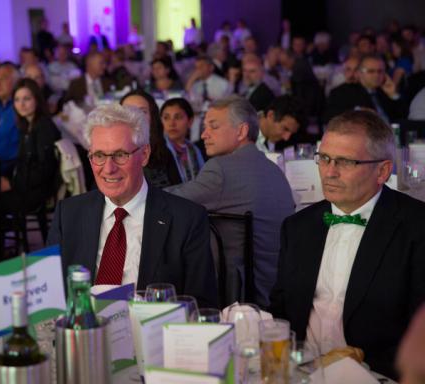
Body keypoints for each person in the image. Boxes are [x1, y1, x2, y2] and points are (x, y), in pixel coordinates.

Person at [269, 110, 425, 380]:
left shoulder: (416, 227)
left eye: (345, 162)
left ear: (383, 171)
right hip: (302, 372)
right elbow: (282, 309)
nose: (329, 172)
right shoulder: (298, 227)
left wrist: (360, 363)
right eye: (325, 158)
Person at [47, 104, 218, 307]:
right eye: (99, 156)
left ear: (144, 155)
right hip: (85, 334)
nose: (108, 169)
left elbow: (202, 304)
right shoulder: (68, 214)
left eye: (120, 155)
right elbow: (51, 295)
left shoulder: (186, 219)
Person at [166, 96, 294, 307]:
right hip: (276, 287)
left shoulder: (222, 169)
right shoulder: (273, 168)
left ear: (242, 131)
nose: (204, 134)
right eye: (204, 126)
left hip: (238, 296)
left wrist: (136, 190)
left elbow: (169, 202)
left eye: (213, 127)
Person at [0, 78, 60, 215]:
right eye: (17, 100)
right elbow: (22, 161)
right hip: (27, 185)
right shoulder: (26, 125)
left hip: (37, 191)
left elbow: (45, 171)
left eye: (26, 99)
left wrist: (11, 184)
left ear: (37, 100)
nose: (21, 104)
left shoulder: (44, 127)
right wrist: (3, 178)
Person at [120, 90, 181, 188]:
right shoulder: (108, 153)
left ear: (152, 117)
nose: (136, 116)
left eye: (143, 111)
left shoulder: (163, 151)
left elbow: (178, 190)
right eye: (128, 111)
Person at [324, 55, 404, 123]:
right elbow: (330, 116)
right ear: (359, 73)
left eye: (380, 71)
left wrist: (393, 95)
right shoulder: (343, 92)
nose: (376, 75)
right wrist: (357, 111)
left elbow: (402, 117)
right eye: (371, 71)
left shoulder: (383, 90)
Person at [160, 98, 204, 182]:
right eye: (166, 118)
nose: (171, 123)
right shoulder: (157, 151)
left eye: (178, 117)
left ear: (190, 121)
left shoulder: (195, 149)